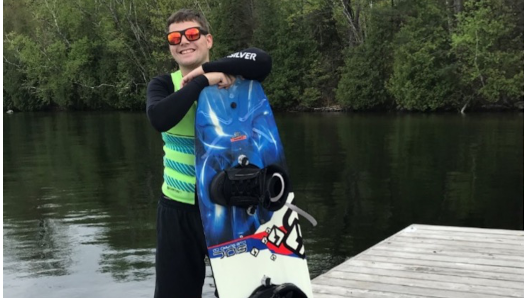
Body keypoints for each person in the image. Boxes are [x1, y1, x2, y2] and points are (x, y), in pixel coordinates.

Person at [146, 8, 272, 298]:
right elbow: (159, 118)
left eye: (192, 34)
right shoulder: (163, 85)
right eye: (174, 37)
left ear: (208, 39)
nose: (183, 41)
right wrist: (202, 80)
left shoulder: (236, 77)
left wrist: (208, 70)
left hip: (230, 207)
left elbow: (262, 60)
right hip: (177, 210)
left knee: (241, 292)